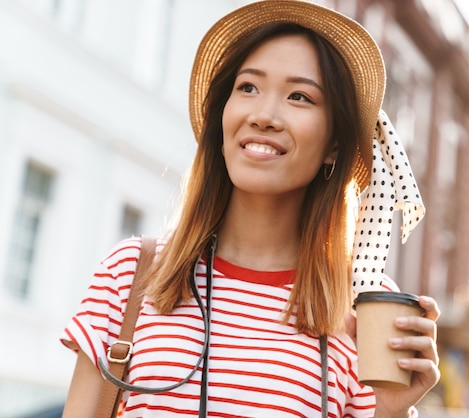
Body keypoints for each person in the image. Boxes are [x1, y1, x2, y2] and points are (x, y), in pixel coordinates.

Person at [60, 1, 440, 417]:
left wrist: (392, 411)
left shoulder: (364, 307)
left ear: (334, 144)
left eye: (299, 96)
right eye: (248, 88)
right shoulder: (132, 272)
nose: (264, 115)